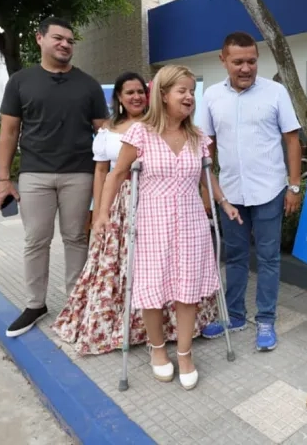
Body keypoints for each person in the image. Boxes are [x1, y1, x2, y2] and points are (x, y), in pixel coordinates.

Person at [93, 64, 241, 390]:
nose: (189, 97)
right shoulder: (140, 133)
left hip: (191, 222)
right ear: (163, 94)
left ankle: (185, 354)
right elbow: (116, 174)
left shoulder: (198, 137)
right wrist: (102, 214)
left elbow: (208, 176)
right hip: (151, 222)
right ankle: (158, 350)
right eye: (182, 90)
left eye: (192, 91)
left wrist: (224, 202)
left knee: (187, 292)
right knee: (152, 292)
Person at [52, 71, 221, 355]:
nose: (135, 96)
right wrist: (98, 211)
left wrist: (216, 199)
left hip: (162, 201)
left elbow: (202, 174)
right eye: (128, 92)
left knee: (174, 273)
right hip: (127, 206)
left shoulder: (172, 129)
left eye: (140, 91)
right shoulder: (111, 131)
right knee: (129, 272)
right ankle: (128, 329)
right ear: (118, 97)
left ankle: (176, 339)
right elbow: (104, 173)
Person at [0, 16, 110, 338]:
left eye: (70, 41)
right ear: (40, 39)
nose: (65, 44)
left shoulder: (87, 84)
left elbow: (104, 131)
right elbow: (9, 131)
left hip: (79, 173)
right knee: (36, 240)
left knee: (75, 238)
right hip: (34, 174)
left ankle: (77, 300)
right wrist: (4, 179)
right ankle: (35, 304)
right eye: (58, 38)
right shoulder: (20, 81)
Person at [197, 32, 302, 352]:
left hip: (269, 189)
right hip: (230, 194)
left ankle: (266, 318)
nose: (246, 68)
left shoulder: (276, 92)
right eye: (238, 62)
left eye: (252, 61)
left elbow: (292, 140)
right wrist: (207, 190)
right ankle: (236, 316)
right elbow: (207, 146)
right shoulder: (212, 96)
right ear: (223, 60)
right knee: (236, 256)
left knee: (269, 258)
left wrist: (294, 186)